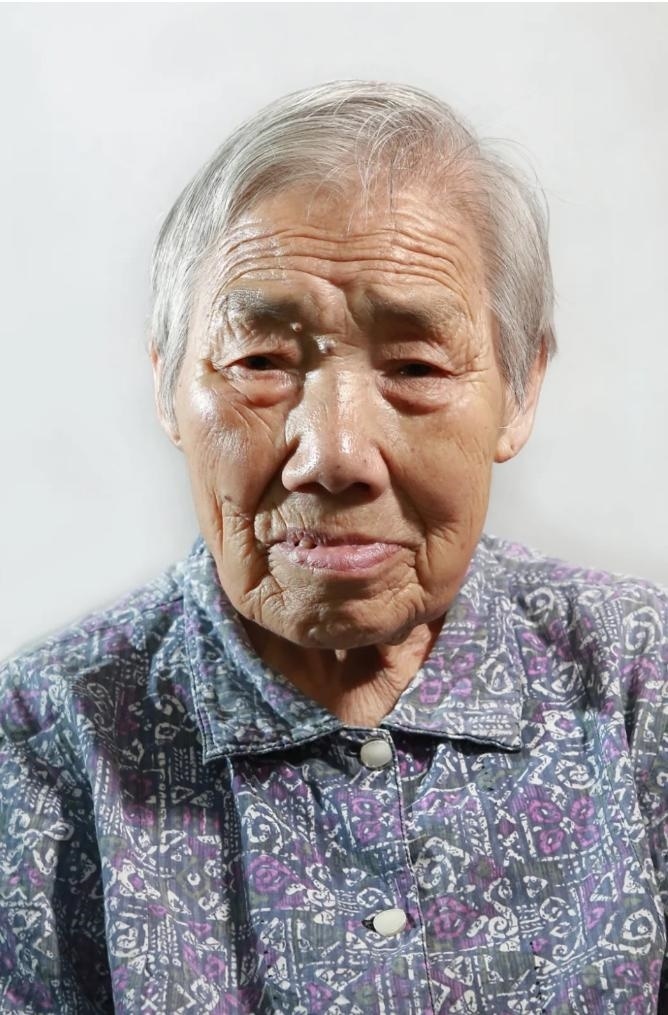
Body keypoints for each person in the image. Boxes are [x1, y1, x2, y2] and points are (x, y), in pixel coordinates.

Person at [1, 80, 666, 1015]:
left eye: (415, 366)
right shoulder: (40, 745)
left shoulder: (641, 688)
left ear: (519, 392)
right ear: (167, 390)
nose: (336, 454)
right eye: (260, 363)